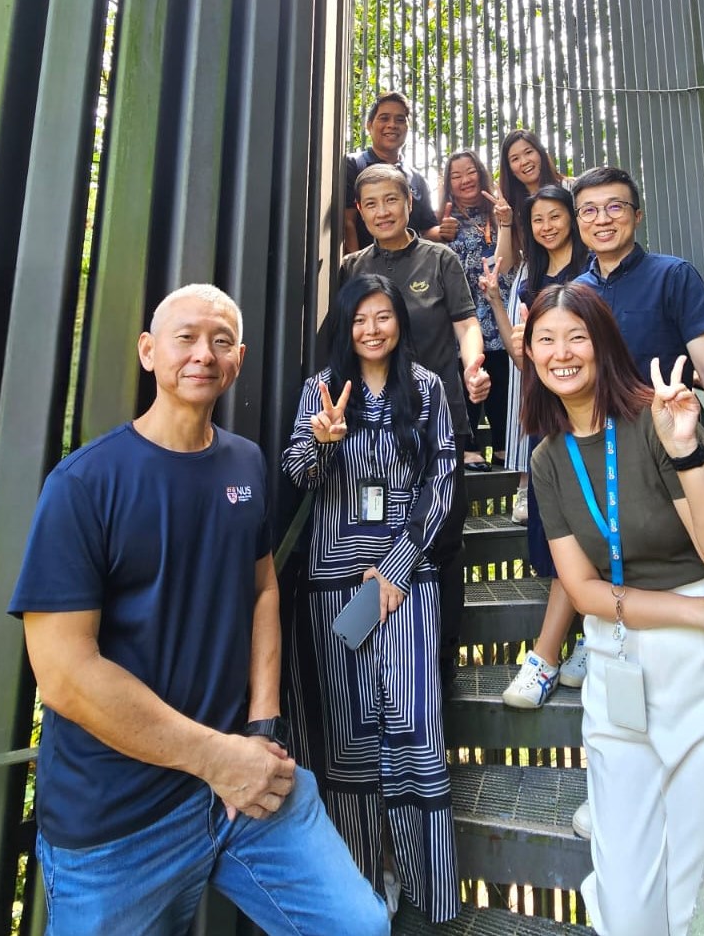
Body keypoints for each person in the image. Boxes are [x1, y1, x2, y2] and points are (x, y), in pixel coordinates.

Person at [8, 284, 388, 936]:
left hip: (247, 786)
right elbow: (65, 675)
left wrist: (262, 727)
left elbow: (262, 589)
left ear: (239, 359)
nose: (203, 354)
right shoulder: (83, 484)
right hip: (119, 822)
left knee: (359, 927)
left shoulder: (244, 461)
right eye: (185, 338)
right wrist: (218, 760)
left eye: (220, 341)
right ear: (148, 351)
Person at [521, 282, 704, 936]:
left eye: (577, 336)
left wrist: (687, 450)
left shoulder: (657, 419)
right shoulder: (548, 458)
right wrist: (699, 613)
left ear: (605, 343)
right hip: (620, 656)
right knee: (626, 891)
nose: (562, 353)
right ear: (528, 354)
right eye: (546, 340)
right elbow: (582, 591)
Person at [282, 275, 460, 922]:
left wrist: (395, 568)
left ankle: (428, 890)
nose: (371, 329)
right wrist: (321, 441)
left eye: (382, 316)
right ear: (345, 326)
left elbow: (442, 480)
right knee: (345, 736)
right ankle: (358, 893)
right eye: (359, 319)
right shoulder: (320, 390)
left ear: (400, 322)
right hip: (332, 583)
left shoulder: (428, 388)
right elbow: (297, 471)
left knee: (413, 725)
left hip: (406, 581)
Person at [341, 164, 491, 686]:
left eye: (392, 200)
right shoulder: (352, 268)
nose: (382, 211)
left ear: (409, 202)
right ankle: (377, 667)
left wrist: (473, 365)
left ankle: (440, 669)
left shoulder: (439, 258)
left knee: (441, 540)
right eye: (371, 203)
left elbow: (466, 324)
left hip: (438, 420)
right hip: (371, 430)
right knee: (374, 539)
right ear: (360, 212)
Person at [569, 165, 704, 513]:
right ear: (579, 220)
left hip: (674, 443)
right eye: (589, 210)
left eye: (615, 206)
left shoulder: (673, 275)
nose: (602, 219)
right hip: (599, 452)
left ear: (637, 215)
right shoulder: (574, 294)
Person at [479, 185, 589, 708]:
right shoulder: (531, 279)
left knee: (588, 525)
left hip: (591, 416)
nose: (546, 226)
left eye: (554, 216)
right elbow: (520, 354)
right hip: (550, 417)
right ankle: (575, 643)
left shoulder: (592, 275)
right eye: (537, 220)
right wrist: (496, 300)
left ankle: (571, 646)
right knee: (556, 531)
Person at [491, 129, 568, 520]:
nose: (524, 162)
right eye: (514, 158)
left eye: (528, 152)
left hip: (571, 276)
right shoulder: (511, 204)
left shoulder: (569, 189)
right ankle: (525, 485)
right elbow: (504, 265)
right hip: (529, 282)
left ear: (541, 152)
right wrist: (505, 223)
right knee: (525, 379)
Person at [437, 148, 511, 468]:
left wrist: (505, 221)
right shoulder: (444, 220)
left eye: (470, 171)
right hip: (461, 308)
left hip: (497, 303)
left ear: (481, 174)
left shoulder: (499, 212)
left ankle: (503, 444)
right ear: (448, 184)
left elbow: (510, 258)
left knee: (500, 372)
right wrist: (438, 231)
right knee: (465, 370)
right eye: (456, 175)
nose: (465, 179)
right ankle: (467, 447)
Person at [342, 90, 440, 253]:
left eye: (400, 120)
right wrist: (356, 264)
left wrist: (445, 230)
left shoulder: (417, 179)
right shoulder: (352, 165)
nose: (392, 125)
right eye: (384, 118)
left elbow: (426, 231)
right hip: (367, 265)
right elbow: (347, 223)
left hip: (411, 266)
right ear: (369, 125)